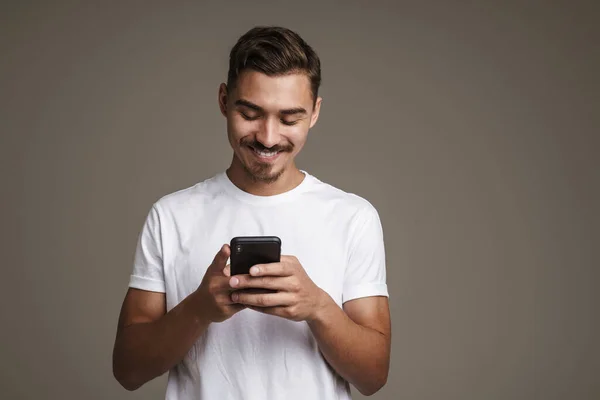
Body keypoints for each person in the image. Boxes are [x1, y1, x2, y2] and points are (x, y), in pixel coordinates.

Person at [112, 26, 391, 399]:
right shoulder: (172, 215)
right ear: (224, 100)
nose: (268, 137)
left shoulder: (353, 217)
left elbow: (373, 376)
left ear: (314, 113)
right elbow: (128, 370)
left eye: (290, 118)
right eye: (250, 113)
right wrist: (198, 308)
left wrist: (317, 307)